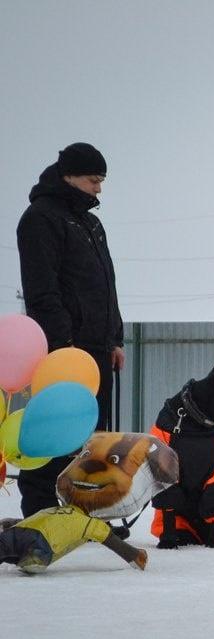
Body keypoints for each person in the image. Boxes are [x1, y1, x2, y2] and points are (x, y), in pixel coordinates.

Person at [15, 142, 124, 517]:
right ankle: (42, 514)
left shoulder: (90, 223)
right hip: (65, 351)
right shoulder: (40, 219)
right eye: (94, 180)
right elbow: (42, 291)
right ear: (69, 176)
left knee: (92, 438)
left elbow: (106, 285)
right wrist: (64, 343)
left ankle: (85, 513)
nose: (99, 189)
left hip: (97, 348)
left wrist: (116, 338)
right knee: (56, 433)